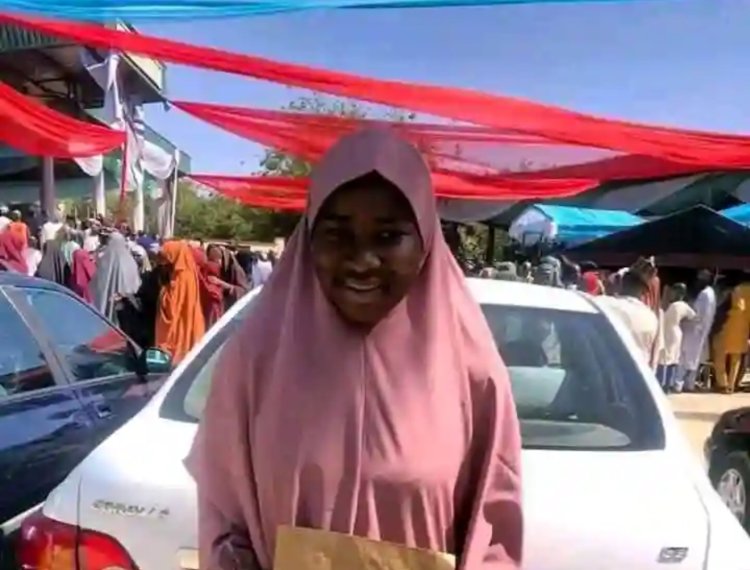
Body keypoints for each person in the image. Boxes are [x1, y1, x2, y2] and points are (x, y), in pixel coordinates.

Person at [186, 129, 523, 570]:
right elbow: (225, 520)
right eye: (337, 234)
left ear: (425, 240)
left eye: (388, 236)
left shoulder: (473, 374)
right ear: (308, 238)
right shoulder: (255, 363)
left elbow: (494, 535)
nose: (362, 260)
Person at [155, 241, 206, 363]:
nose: (163, 260)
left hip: (178, 327)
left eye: (166, 256)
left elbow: (171, 306)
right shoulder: (187, 270)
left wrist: (163, 290)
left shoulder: (181, 277)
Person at [601, 269, 659, 367]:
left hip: (609, 368)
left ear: (621, 285)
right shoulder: (650, 316)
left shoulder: (605, 304)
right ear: (644, 292)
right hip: (638, 372)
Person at [676, 270, 717, 393]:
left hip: (695, 329)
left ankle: (678, 384)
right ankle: (689, 384)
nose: (698, 281)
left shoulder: (705, 294)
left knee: (685, 357)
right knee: (693, 358)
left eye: (701, 278)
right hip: (699, 330)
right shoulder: (709, 293)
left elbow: (698, 314)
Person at [90, 232, 142, 322]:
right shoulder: (131, 263)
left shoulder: (104, 261)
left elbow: (98, 287)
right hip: (128, 313)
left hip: (107, 312)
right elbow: (136, 285)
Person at [711, 281, 750, 394]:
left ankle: (723, 384)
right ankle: (731, 385)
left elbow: (719, 315)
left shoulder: (733, 293)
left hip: (726, 330)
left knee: (720, 359)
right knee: (735, 361)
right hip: (742, 332)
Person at [657, 283, 696, 392]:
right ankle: (668, 384)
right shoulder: (680, 305)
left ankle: (663, 383)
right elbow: (694, 317)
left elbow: (694, 317)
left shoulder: (676, 305)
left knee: (666, 358)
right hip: (674, 332)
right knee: (672, 358)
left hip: (670, 332)